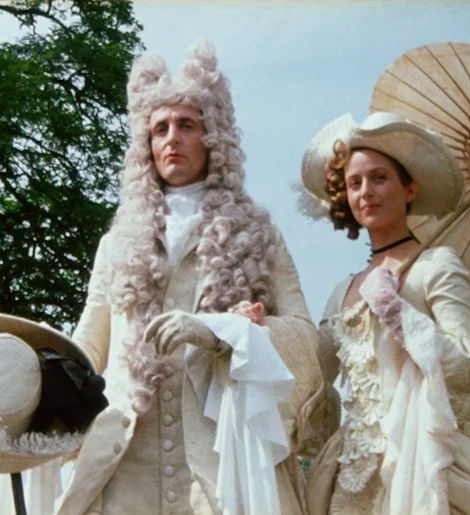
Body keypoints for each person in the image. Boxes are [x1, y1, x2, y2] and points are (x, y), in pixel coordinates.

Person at [53, 40, 330, 515]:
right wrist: (37, 365)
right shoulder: (117, 243)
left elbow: (309, 343)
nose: (172, 138)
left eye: (186, 125)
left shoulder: (260, 235)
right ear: (146, 144)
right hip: (122, 470)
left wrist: (226, 333)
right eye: (159, 128)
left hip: (224, 471)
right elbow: (88, 349)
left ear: (213, 136)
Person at [298, 112, 470, 514]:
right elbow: (313, 372)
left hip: (424, 461)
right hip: (353, 473)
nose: (366, 192)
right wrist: (262, 329)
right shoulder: (342, 291)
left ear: (409, 189)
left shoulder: (438, 266)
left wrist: (400, 316)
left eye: (379, 178)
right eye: (355, 183)